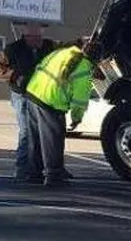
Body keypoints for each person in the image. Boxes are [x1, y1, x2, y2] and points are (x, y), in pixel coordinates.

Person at [23, 40, 96, 186]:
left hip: (33, 93)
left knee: (35, 139)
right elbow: (80, 99)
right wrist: (76, 118)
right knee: (53, 141)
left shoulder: (61, 53)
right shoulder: (84, 66)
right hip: (51, 102)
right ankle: (53, 176)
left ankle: (34, 173)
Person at [0, 23, 57, 180]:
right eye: (33, 34)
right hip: (22, 95)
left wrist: (81, 44)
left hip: (42, 95)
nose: (37, 37)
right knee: (26, 131)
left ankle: (38, 168)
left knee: (42, 132)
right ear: (25, 33)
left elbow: (67, 50)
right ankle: (22, 168)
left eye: (39, 34)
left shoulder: (50, 46)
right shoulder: (13, 49)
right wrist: (15, 76)